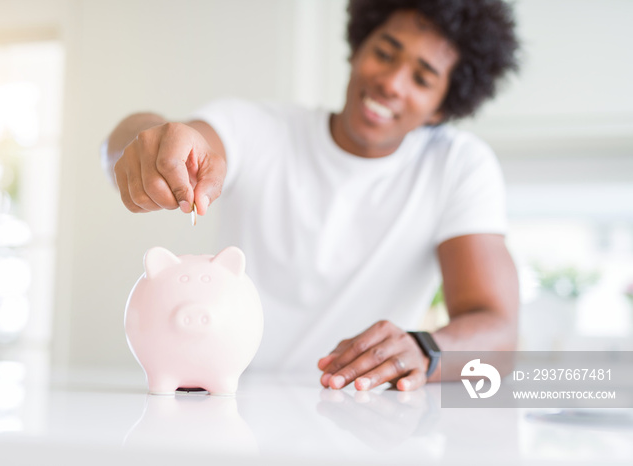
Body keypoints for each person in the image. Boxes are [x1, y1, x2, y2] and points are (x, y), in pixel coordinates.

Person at [101, 0, 520, 392]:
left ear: (441, 109)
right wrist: (150, 141)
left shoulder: (457, 166)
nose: (391, 82)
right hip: (232, 404)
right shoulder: (257, 129)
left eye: (422, 78)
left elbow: (499, 334)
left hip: (361, 415)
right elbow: (149, 140)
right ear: (357, 48)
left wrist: (427, 350)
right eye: (385, 52)